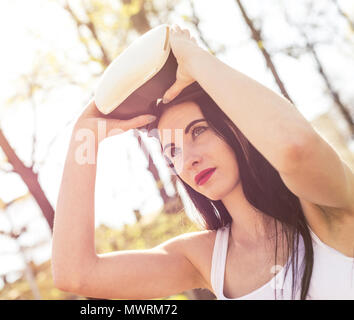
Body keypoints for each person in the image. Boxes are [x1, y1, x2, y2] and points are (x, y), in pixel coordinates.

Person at [51, 24, 354, 299]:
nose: (188, 160)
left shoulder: (323, 207)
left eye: (198, 131)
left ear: (236, 126)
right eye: (173, 151)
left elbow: (294, 148)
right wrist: (84, 133)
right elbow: (75, 274)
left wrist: (191, 56)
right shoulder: (204, 259)